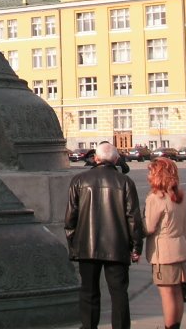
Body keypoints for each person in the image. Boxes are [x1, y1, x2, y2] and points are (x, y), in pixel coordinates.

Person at [64, 141, 144, 329]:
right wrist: (136, 247)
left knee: (89, 292)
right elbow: (133, 218)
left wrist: (74, 243)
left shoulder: (79, 180)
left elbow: (70, 218)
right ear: (116, 159)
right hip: (117, 247)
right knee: (119, 294)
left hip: (87, 246)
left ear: (96, 158)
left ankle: (89, 326)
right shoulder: (125, 182)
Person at [144, 158, 186, 329]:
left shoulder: (156, 198)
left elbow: (149, 227)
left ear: (158, 174)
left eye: (151, 172)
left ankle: (169, 327)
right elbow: (185, 225)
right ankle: (176, 325)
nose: (149, 175)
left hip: (163, 252)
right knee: (178, 292)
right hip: (180, 248)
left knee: (167, 295)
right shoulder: (179, 195)